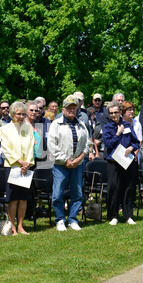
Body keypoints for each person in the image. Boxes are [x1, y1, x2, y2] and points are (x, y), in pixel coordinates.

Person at [47, 95, 90, 231]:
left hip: (77, 164)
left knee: (77, 193)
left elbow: (87, 145)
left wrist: (79, 159)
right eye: (69, 108)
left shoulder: (82, 124)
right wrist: (66, 160)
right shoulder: (56, 124)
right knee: (58, 194)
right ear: (63, 109)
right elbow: (52, 146)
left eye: (74, 107)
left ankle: (72, 219)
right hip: (61, 165)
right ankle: (60, 219)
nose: (72, 110)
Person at [0, 101, 35, 235]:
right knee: (13, 199)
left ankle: (21, 226)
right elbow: (6, 148)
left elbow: (31, 146)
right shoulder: (4, 129)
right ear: (12, 114)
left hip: (26, 167)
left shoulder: (28, 128)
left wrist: (27, 163)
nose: (20, 116)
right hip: (12, 166)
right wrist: (19, 161)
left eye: (22, 114)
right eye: (18, 114)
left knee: (23, 198)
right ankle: (12, 227)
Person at [103, 101, 140, 225]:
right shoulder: (107, 127)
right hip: (113, 162)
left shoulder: (127, 125)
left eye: (116, 112)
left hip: (127, 161)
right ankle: (114, 215)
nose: (114, 115)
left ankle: (128, 215)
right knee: (114, 188)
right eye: (111, 113)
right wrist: (118, 133)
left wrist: (131, 148)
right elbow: (108, 144)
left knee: (128, 188)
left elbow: (136, 142)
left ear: (120, 112)